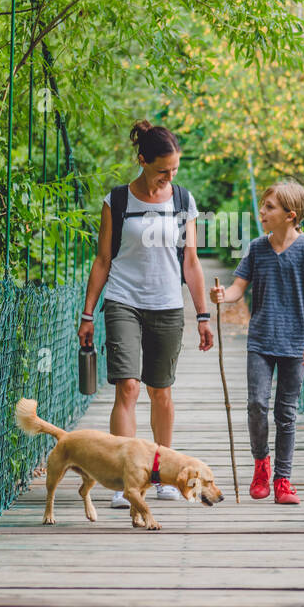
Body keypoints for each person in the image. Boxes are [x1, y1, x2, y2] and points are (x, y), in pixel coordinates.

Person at [79, 120, 213, 509]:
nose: (169, 177)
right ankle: (124, 482)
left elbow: (191, 262)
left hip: (168, 304)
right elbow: (103, 260)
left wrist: (203, 315)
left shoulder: (183, 200)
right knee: (128, 387)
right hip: (123, 300)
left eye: (174, 170)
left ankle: (163, 476)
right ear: (141, 161)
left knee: (162, 391)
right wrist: (88, 314)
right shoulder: (117, 201)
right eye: (162, 170)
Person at [210, 180, 304, 504]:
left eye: (269, 207)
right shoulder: (257, 248)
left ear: (290, 215)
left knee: (285, 413)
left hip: (295, 343)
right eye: (262, 205)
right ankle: (261, 464)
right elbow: (237, 288)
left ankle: (283, 481)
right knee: (257, 405)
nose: (261, 211)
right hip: (261, 340)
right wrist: (223, 296)